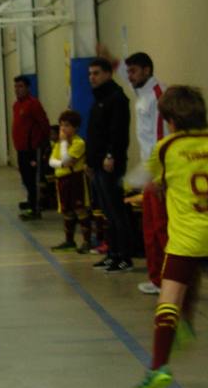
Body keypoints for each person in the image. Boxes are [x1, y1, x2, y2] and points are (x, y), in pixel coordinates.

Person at [127, 86, 208, 388]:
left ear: (170, 120)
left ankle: (158, 366)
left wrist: (138, 183)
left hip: (186, 239)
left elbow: (141, 178)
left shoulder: (167, 147)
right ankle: (187, 323)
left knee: (168, 295)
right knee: (190, 268)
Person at [102, 46, 168, 295]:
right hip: (147, 173)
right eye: (127, 71)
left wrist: (158, 176)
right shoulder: (142, 92)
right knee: (149, 229)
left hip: (158, 175)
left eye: (134, 71)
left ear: (147, 70)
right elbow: (127, 82)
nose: (129, 76)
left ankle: (167, 280)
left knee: (161, 229)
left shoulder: (159, 95)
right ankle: (156, 278)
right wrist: (115, 62)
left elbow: (162, 138)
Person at [85, 59, 135, 273]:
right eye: (90, 74)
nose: (92, 78)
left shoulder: (116, 98)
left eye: (96, 73)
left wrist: (111, 155)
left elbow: (117, 132)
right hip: (97, 164)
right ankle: (112, 253)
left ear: (108, 74)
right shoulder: (99, 99)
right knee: (106, 211)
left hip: (110, 164)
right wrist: (90, 161)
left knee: (116, 211)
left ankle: (124, 256)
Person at [47, 111, 91, 253]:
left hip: (75, 179)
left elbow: (68, 160)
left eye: (67, 126)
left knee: (80, 209)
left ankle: (87, 241)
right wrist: (62, 164)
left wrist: (65, 143)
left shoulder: (79, 143)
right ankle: (69, 241)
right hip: (62, 179)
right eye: (61, 126)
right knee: (67, 210)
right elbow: (52, 161)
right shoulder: (59, 145)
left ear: (75, 127)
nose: (63, 129)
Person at [11, 76, 51, 220]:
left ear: (28, 88)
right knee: (25, 178)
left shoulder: (33, 104)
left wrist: (42, 144)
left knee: (32, 179)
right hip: (21, 149)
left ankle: (36, 209)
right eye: (16, 87)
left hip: (32, 149)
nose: (17, 89)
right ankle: (31, 202)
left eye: (20, 86)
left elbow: (44, 123)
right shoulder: (16, 105)